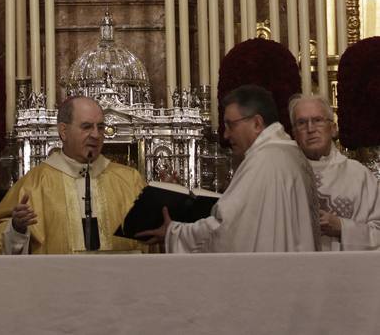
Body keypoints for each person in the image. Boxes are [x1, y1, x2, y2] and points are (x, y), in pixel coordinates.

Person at [138, 84, 320, 252]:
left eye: (230, 125)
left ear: (257, 123)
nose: (226, 134)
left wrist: (174, 232)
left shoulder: (263, 161)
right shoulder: (290, 153)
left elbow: (227, 230)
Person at [0, 96, 145, 254]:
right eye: (87, 127)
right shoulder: (35, 184)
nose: (96, 135)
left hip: (120, 279)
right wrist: (16, 228)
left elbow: (155, 242)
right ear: (63, 131)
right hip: (56, 279)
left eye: (100, 127)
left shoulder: (129, 180)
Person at [290, 93, 380, 250]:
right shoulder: (286, 176)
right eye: (302, 123)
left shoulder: (358, 175)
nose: (310, 129)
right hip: (297, 270)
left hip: (348, 271)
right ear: (294, 134)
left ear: (333, 129)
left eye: (317, 120)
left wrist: (342, 227)